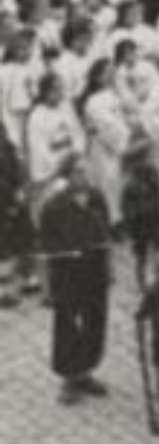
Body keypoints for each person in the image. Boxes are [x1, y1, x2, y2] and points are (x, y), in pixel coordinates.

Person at [34, 155, 112, 406]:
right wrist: (46, 288)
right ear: (68, 175)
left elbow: (106, 236)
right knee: (68, 325)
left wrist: (109, 268)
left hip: (95, 271)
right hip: (68, 274)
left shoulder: (97, 198)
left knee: (95, 321)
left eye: (87, 171)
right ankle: (69, 376)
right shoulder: (54, 206)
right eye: (79, 171)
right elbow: (44, 249)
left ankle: (86, 371)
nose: (85, 176)